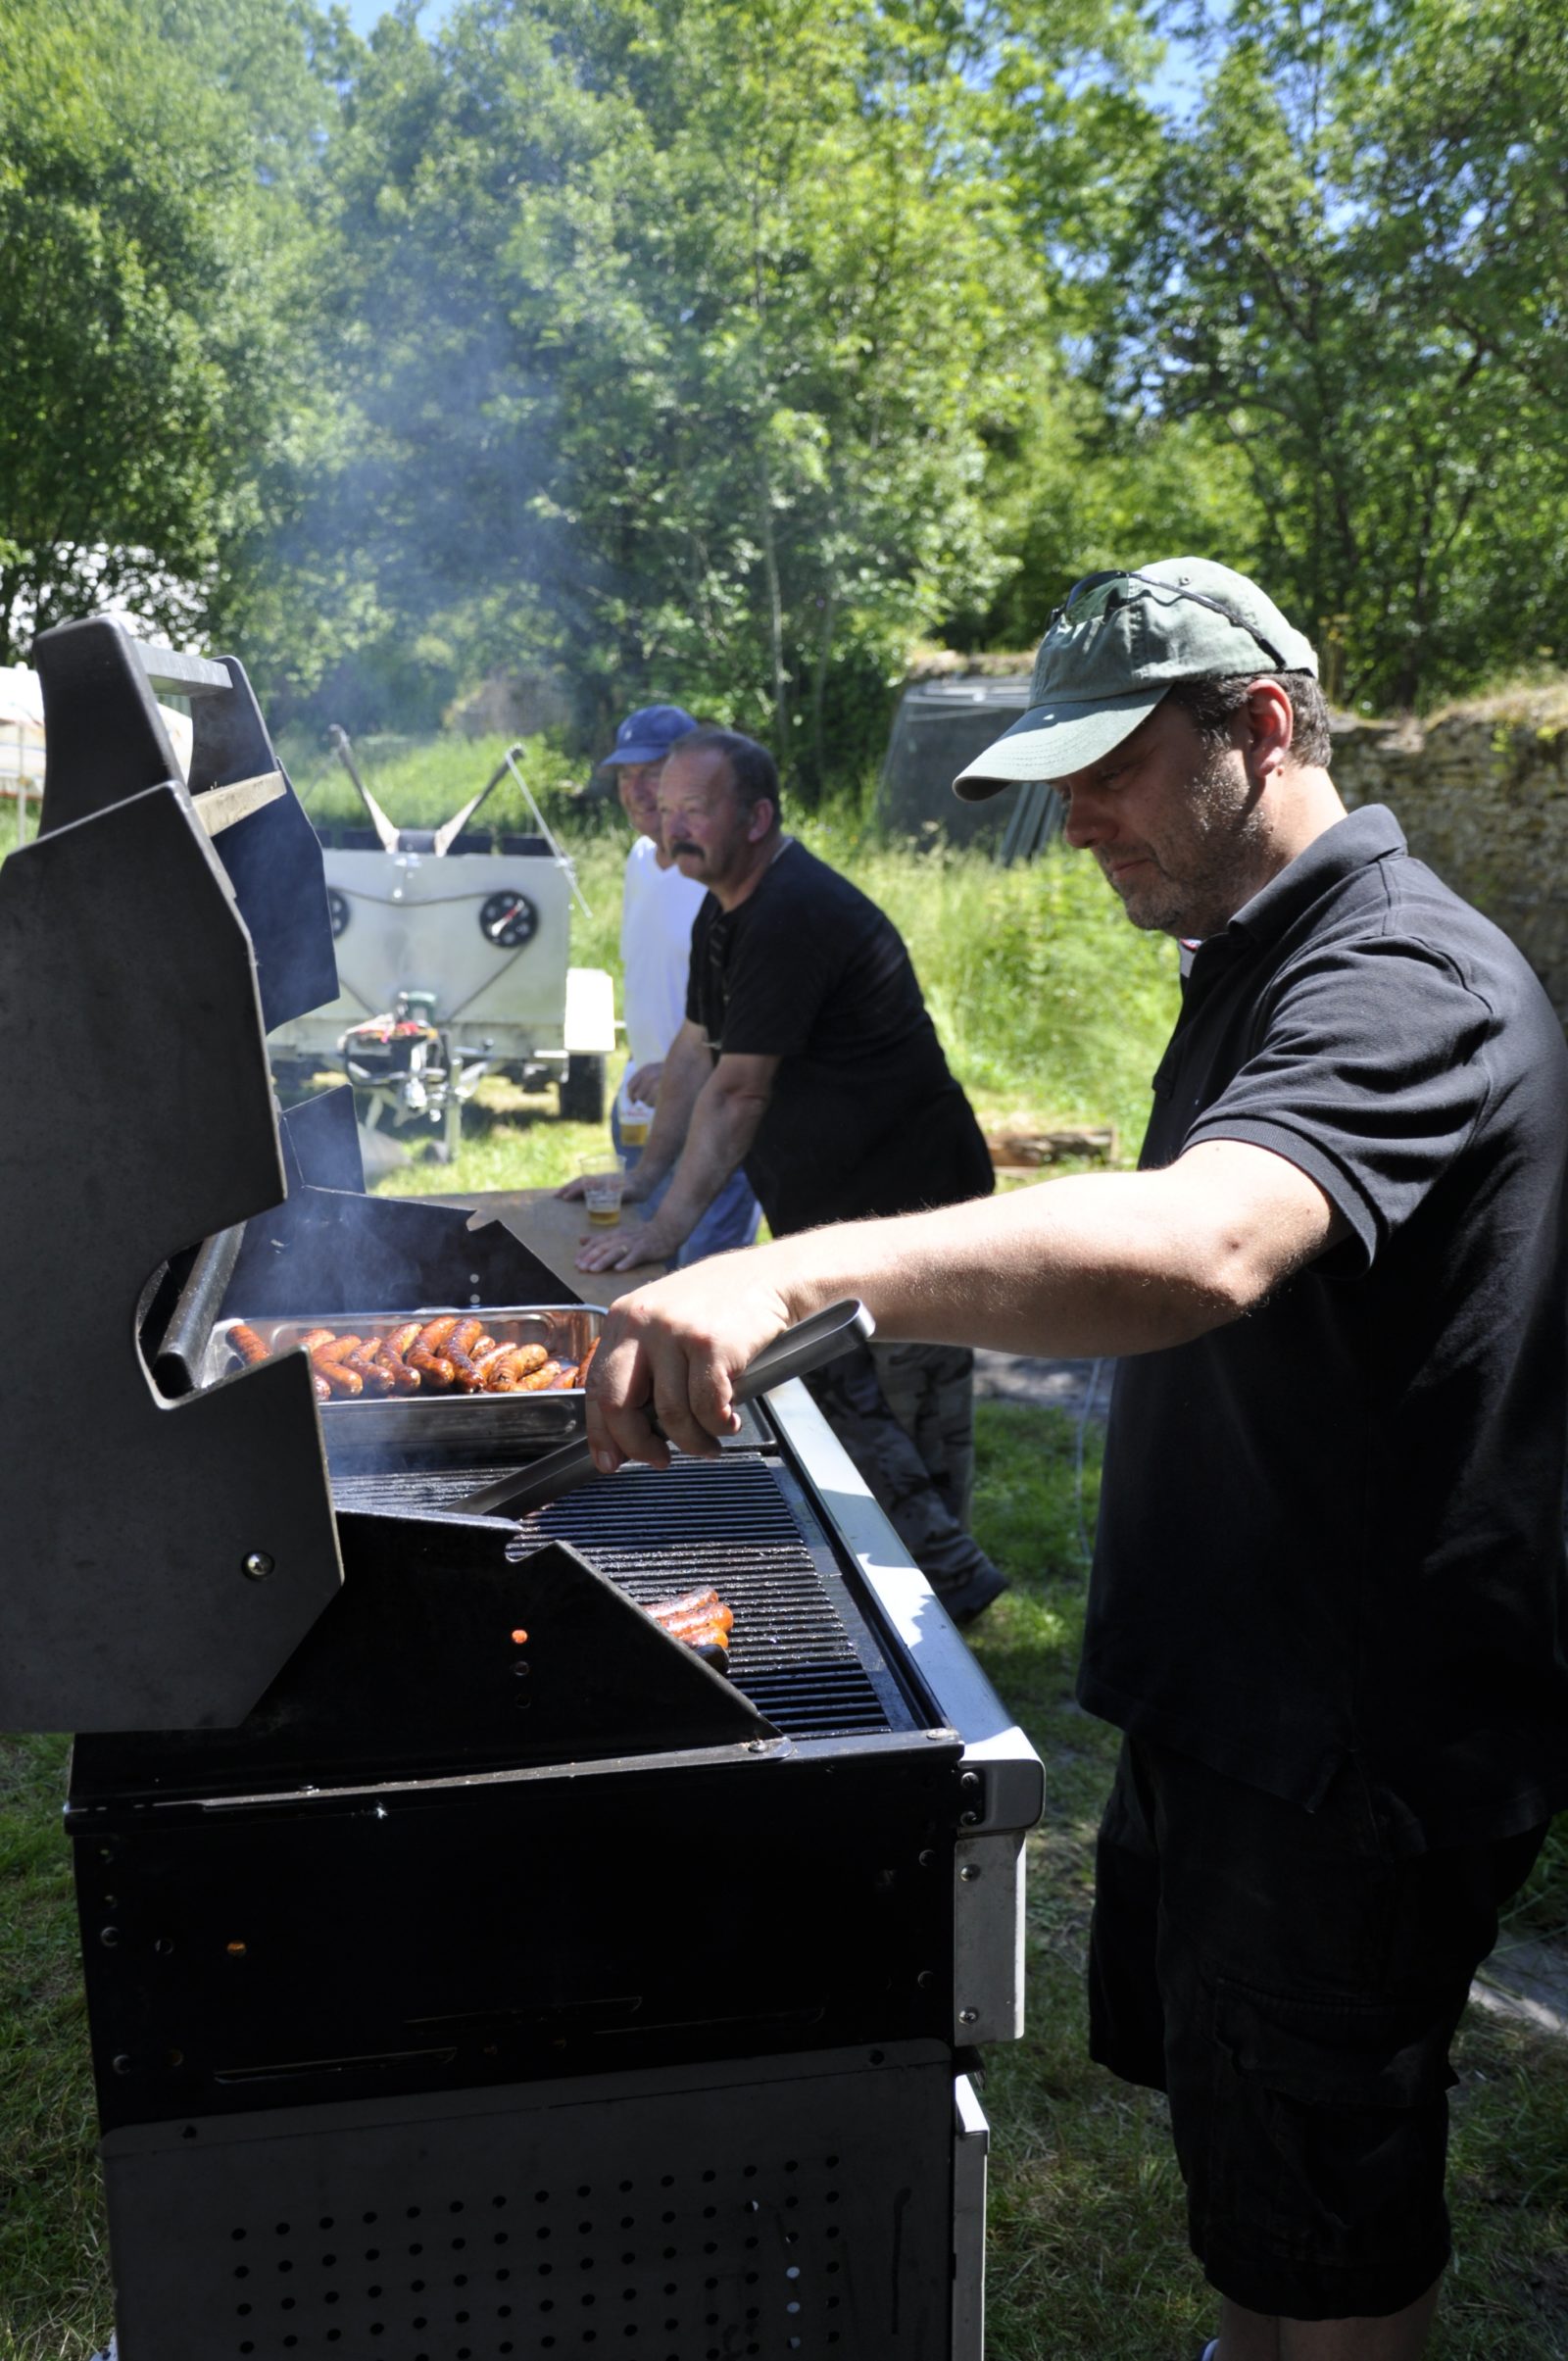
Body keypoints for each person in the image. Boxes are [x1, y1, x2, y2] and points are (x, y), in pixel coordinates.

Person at [576, 563, 1568, 2359]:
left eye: (1109, 762)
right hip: (1245, 1691)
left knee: (1341, 2215)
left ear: (1259, 728)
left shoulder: (1401, 975)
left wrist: (797, 1262)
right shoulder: (1259, 957)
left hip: (1354, 1734)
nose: (1073, 812)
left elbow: (1204, 1243)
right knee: (1257, 2155)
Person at [572, 722, 1008, 1625]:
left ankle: (944, 1601)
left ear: (759, 816)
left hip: (908, 1203)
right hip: (836, 1206)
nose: (672, 825)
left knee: (895, 1397)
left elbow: (736, 1094)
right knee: (848, 1392)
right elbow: (696, 1048)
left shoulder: (792, 911)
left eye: (698, 808)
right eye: (669, 806)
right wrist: (647, 1185)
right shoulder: (722, 908)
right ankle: (928, 1581)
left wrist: (665, 1237)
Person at [587, 701, 760, 1263]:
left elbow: (754, 1007)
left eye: (653, 774)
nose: (638, 791)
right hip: (645, 1111)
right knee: (647, 1273)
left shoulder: (722, 878)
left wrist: (682, 1066)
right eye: (626, 776)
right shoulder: (640, 859)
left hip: (711, 1107)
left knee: (706, 1283)